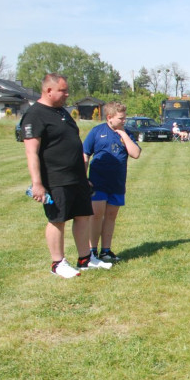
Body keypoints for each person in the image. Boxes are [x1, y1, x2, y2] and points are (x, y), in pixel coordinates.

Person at [22, 73, 112, 278]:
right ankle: (57, 263)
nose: (67, 94)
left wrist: (83, 176)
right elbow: (31, 152)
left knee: (83, 216)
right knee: (58, 219)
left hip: (76, 177)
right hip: (55, 177)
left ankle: (85, 259)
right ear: (49, 90)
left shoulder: (62, 112)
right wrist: (37, 183)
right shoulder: (35, 114)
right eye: (63, 90)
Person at [83, 102, 141, 263]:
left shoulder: (126, 133)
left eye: (125, 117)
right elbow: (85, 153)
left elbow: (136, 154)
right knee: (96, 216)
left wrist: (123, 134)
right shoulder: (97, 132)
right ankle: (92, 251)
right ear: (109, 117)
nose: (124, 120)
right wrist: (83, 177)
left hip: (117, 183)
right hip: (98, 182)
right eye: (121, 118)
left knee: (111, 216)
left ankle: (106, 251)